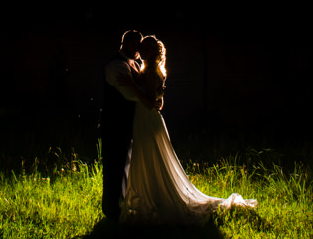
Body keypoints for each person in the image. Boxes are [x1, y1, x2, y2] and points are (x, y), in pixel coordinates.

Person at [121, 35, 257, 224]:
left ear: (152, 52)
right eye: (141, 48)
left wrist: (131, 87)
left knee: (149, 157)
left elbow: (152, 102)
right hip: (146, 119)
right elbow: (158, 102)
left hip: (146, 119)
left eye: (145, 49)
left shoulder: (151, 71)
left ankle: (154, 198)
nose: (141, 51)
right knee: (148, 158)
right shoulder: (151, 69)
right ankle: (152, 195)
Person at [100, 30, 160, 221]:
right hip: (114, 124)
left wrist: (155, 98)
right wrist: (151, 98)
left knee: (126, 165)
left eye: (139, 46)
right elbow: (129, 94)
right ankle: (111, 210)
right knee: (113, 166)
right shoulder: (116, 66)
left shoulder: (134, 64)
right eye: (134, 45)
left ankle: (123, 203)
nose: (137, 50)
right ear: (124, 44)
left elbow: (148, 90)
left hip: (131, 122)